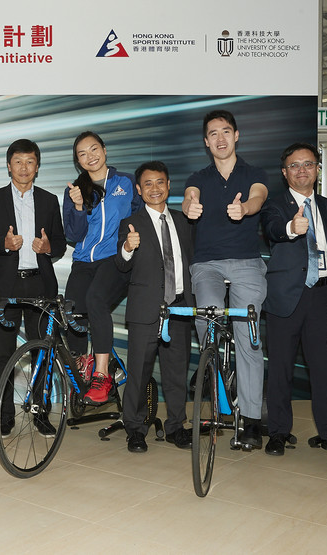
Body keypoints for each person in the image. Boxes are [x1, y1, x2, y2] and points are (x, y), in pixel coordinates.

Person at [182, 109, 268, 448]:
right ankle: (214, 385)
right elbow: (191, 196)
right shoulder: (198, 177)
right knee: (209, 320)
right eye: (213, 133)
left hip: (247, 263)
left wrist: (245, 208)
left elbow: (259, 196)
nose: (220, 138)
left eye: (226, 131)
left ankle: (250, 419)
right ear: (206, 141)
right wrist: (190, 206)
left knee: (249, 339)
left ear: (236, 136)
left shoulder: (253, 173)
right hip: (208, 265)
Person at [260, 143, 327, 458]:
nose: (301, 170)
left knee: (324, 369)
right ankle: (278, 433)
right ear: (285, 173)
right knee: (281, 367)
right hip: (285, 296)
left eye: (308, 164)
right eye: (294, 165)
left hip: (324, 294)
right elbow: (272, 229)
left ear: (316, 169)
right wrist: (291, 228)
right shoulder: (274, 205)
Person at [0, 139, 66, 438]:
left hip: (40, 285)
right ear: (8, 165)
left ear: (37, 166)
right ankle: (4, 416)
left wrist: (48, 247)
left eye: (30, 161)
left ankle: (40, 412)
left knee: (43, 351)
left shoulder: (49, 199)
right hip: (6, 286)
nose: (24, 167)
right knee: (3, 355)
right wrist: (3, 245)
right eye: (18, 161)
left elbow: (60, 242)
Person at [116, 161, 194, 453]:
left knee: (177, 373)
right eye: (147, 184)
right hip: (145, 311)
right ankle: (135, 430)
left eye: (160, 182)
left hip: (180, 309)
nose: (154, 188)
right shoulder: (131, 224)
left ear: (169, 185)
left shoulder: (184, 221)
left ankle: (176, 427)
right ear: (138, 189)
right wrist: (127, 247)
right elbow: (121, 266)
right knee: (139, 373)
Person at [62, 131, 141, 405]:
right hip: (84, 261)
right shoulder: (74, 189)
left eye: (94, 149)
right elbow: (73, 233)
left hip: (115, 259)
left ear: (104, 150)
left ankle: (102, 373)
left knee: (96, 299)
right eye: (82, 154)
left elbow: (140, 218)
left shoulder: (127, 182)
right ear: (78, 161)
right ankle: (81, 370)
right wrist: (79, 205)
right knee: (71, 312)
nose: (90, 157)